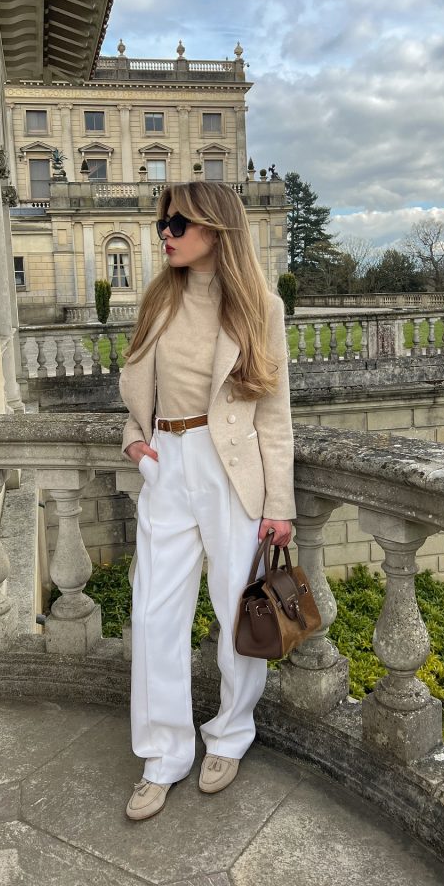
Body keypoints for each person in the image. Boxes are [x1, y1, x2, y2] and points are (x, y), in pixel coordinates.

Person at [118, 181, 295, 821]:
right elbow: (136, 380)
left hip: (231, 468)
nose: (165, 233)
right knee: (152, 614)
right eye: (163, 223)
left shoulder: (259, 308)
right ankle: (162, 755)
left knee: (236, 611)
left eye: (178, 224)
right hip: (169, 461)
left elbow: (273, 413)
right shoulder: (159, 300)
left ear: (216, 230)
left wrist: (281, 503)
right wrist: (137, 443)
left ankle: (228, 735)